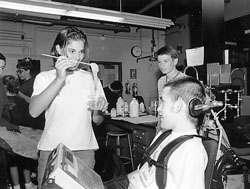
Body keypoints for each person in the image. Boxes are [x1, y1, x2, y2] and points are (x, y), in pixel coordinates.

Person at [29, 26, 108, 188]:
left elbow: (97, 120)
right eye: (71, 51)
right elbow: (34, 111)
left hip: (85, 152)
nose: (77, 57)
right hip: (52, 150)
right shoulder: (44, 77)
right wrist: (59, 79)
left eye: (81, 52)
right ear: (58, 49)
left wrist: (100, 109)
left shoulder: (91, 78)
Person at [104, 76, 208, 189]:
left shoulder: (190, 150)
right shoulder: (164, 135)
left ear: (178, 105)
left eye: (163, 102)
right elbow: (140, 173)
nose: (158, 109)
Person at [0, 54, 39, 189]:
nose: (0, 71)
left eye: (2, 68)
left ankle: (21, 184)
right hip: (7, 130)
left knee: (35, 140)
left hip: (13, 126)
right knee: (30, 149)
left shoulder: (31, 85)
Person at [16, 58, 45, 130]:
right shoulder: (24, 84)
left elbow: (37, 103)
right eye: (17, 72)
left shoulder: (33, 83)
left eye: (21, 71)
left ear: (28, 71)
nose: (19, 74)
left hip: (35, 119)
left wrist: (21, 95)